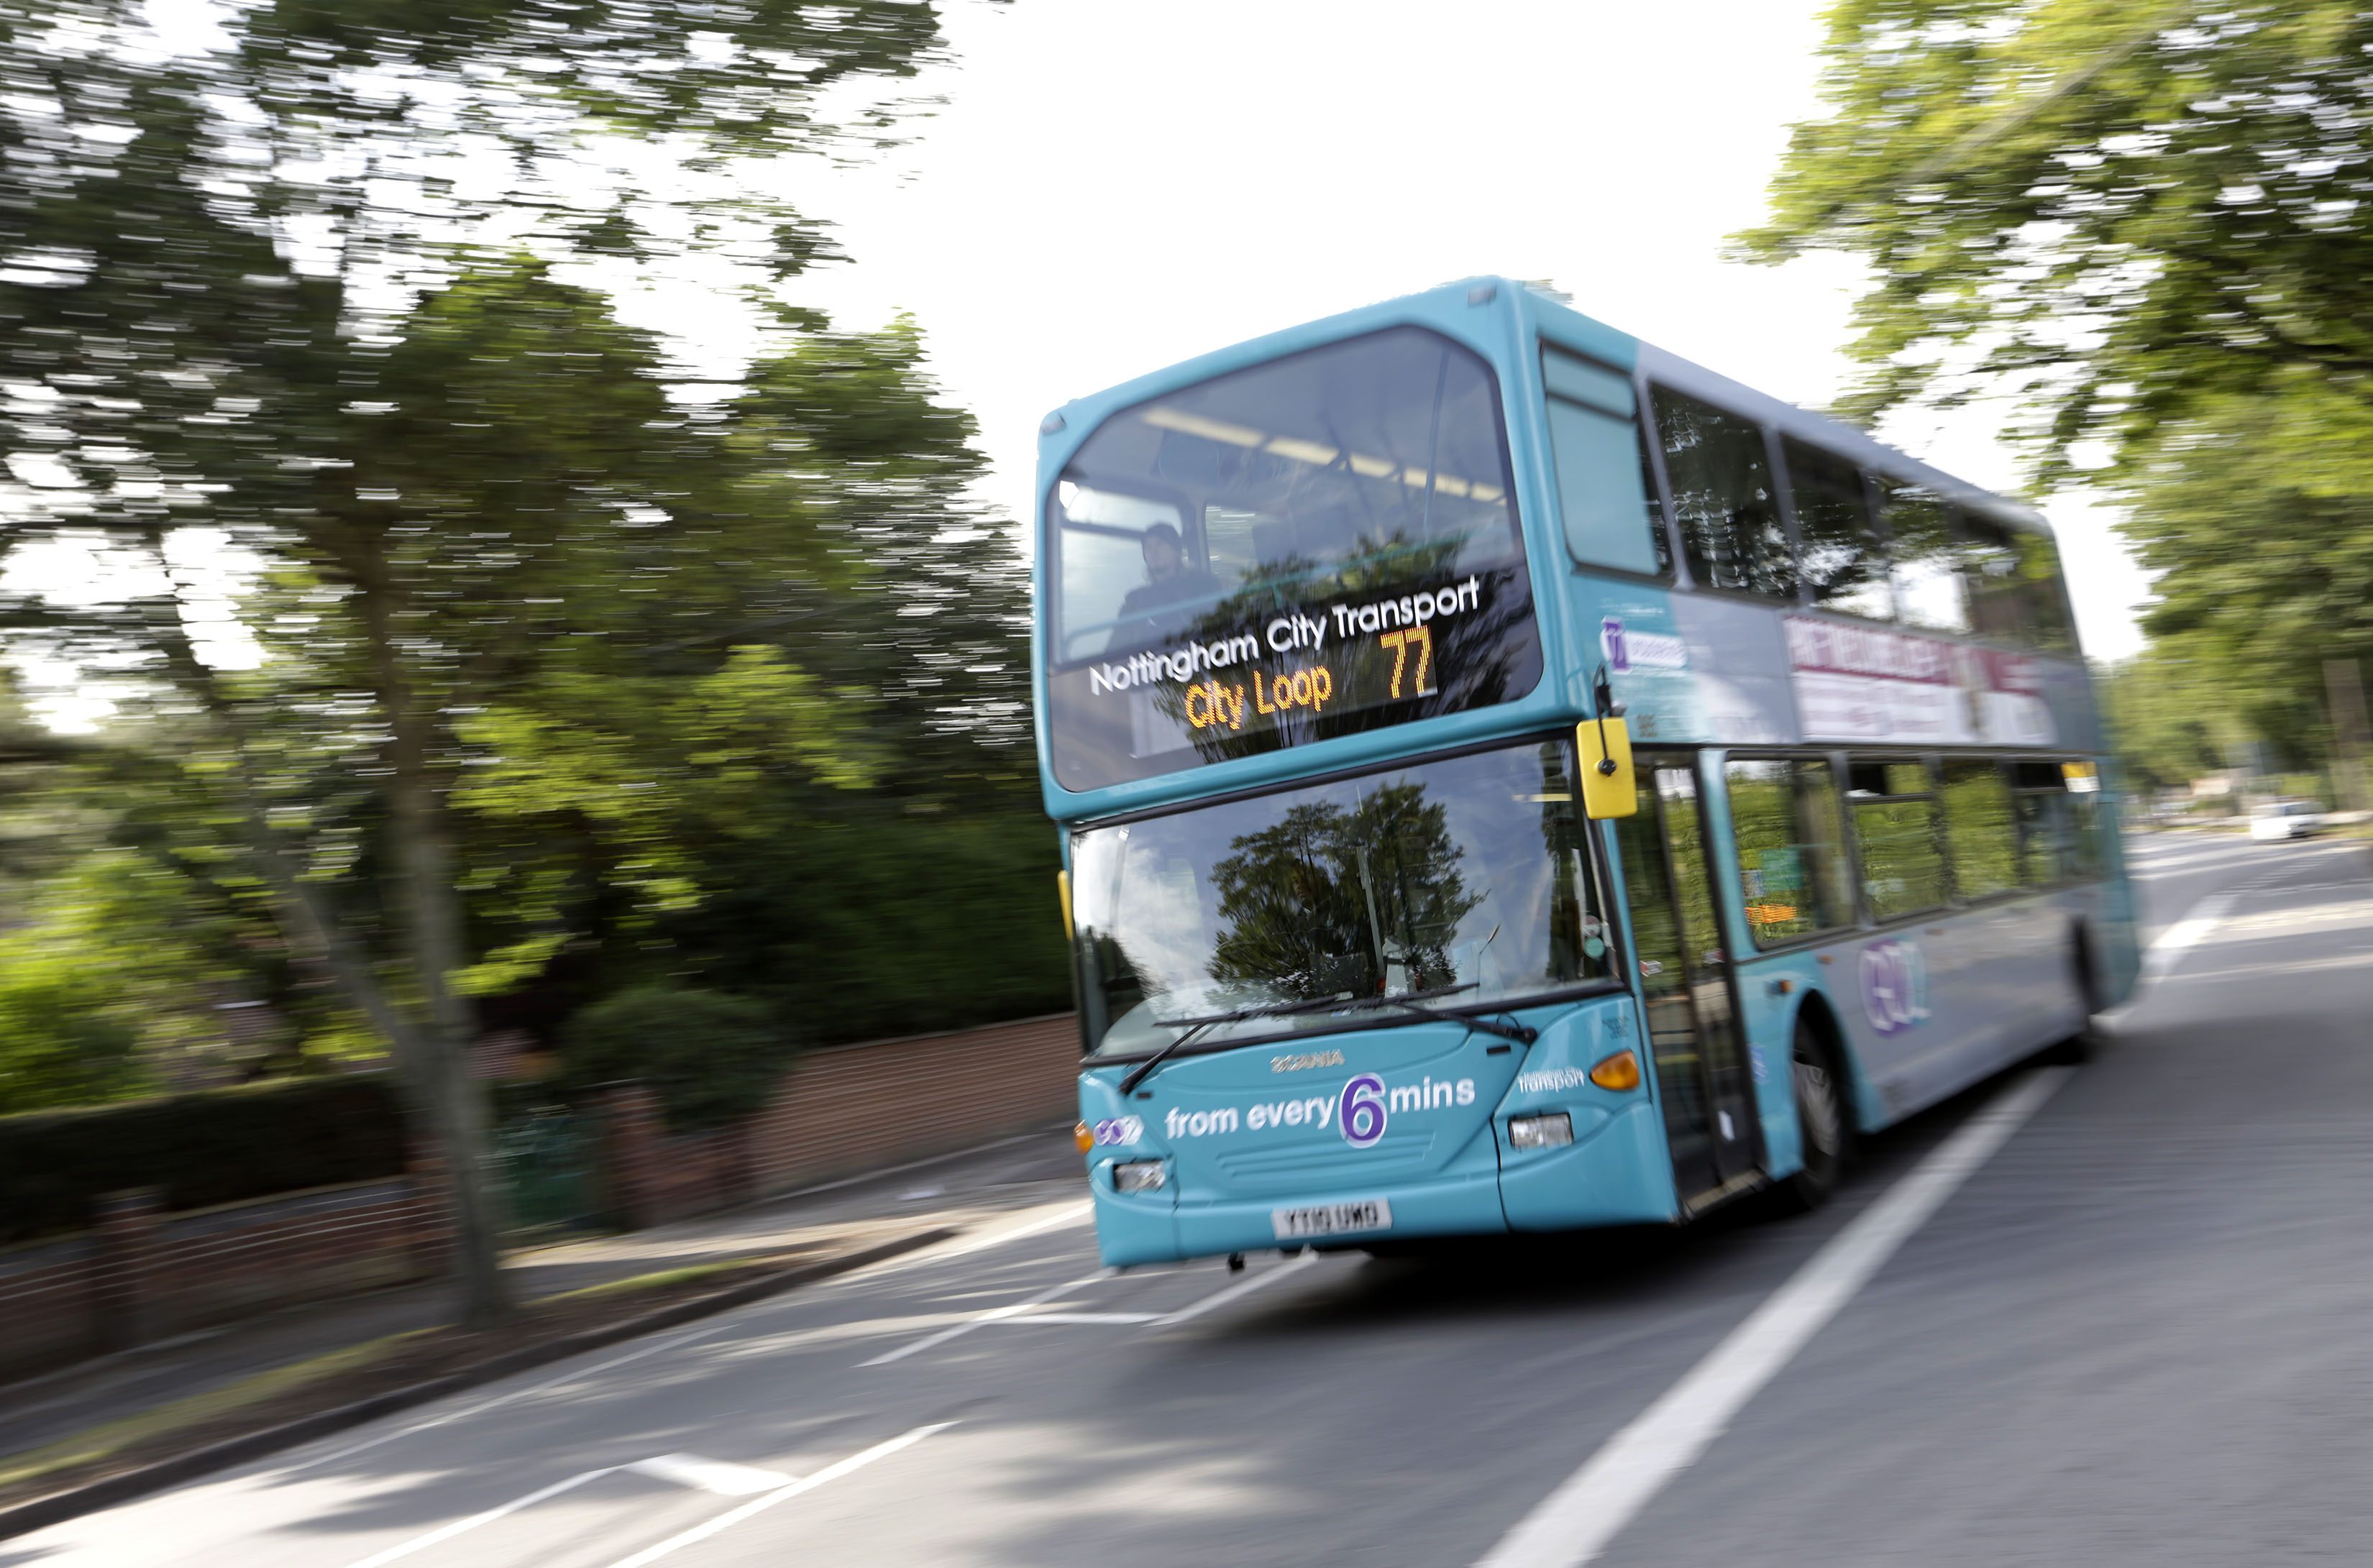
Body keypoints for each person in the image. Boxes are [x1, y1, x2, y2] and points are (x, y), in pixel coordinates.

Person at [1110, 522, 1221, 647]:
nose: (1153, 551)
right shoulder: (1135, 602)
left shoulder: (1205, 587)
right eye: (1148, 547)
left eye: (1160, 544)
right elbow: (1115, 649)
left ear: (1177, 550)